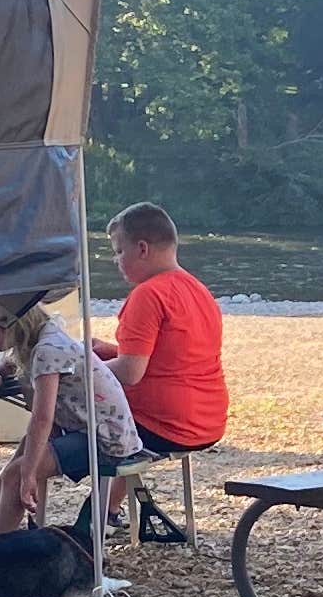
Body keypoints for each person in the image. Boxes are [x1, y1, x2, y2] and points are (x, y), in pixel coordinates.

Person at [90, 201, 229, 538]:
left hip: (167, 423)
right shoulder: (198, 290)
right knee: (123, 420)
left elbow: (129, 373)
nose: (115, 261)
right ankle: (108, 510)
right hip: (208, 419)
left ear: (142, 249)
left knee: (70, 420)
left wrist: (83, 370)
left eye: (118, 251)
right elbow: (171, 357)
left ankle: (69, 517)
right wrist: (105, 352)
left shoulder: (148, 295)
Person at [0, 292, 138, 539]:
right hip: (86, 428)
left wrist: (28, 475)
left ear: (11, 324)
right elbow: (8, 362)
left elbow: (42, 418)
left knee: (17, 475)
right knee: (27, 449)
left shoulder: (48, 350)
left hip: (105, 438)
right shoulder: (43, 334)